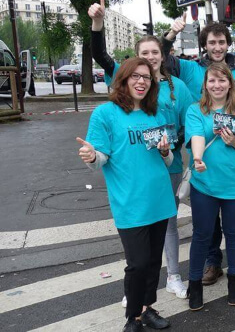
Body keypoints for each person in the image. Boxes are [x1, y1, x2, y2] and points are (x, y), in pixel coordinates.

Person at [88, 0, 192, 305]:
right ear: (131, 67)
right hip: (132, 183)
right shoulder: (117, 100)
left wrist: (169, 147)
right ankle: (134, 300)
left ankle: (166, 283)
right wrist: (97, 24)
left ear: (162, 57)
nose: (149, 62)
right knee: (138, 250)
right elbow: (100, 55)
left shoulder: (172, 94)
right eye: (143, 57)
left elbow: (187, 128)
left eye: (155, 54)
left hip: (165, 172)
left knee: (163, 234)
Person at [77, 58, 176, 332]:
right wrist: (91, 155)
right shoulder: (105, 114)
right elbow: (100, 158)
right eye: (135, 76)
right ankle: (132, 316)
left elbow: (166, 161)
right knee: (138, 263)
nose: (142, 81)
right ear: (122, 79)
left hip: (159, 198)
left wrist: (166, 152)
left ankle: (147, 308)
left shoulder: (155, 114)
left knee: (154, 261)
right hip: (129, 202)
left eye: (146, 77)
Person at [184, 63, 235, 310]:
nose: (217, 85)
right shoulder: (195, 110)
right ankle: (194, 287)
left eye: (222, 80)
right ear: (205, 84)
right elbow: (196, 137)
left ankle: (234, 281)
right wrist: (198, 158)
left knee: (234, 233)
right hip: (204, 184)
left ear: (230, 84)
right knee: (202, 235)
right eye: (212, 80)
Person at [162, 14, 235, 106]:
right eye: (212, 43)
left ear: (228, 44)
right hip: (195, 122)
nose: (217, 48)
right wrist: (172, 34)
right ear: (204, 45)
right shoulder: (189, 68)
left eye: (221, 42)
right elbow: (160, 59)